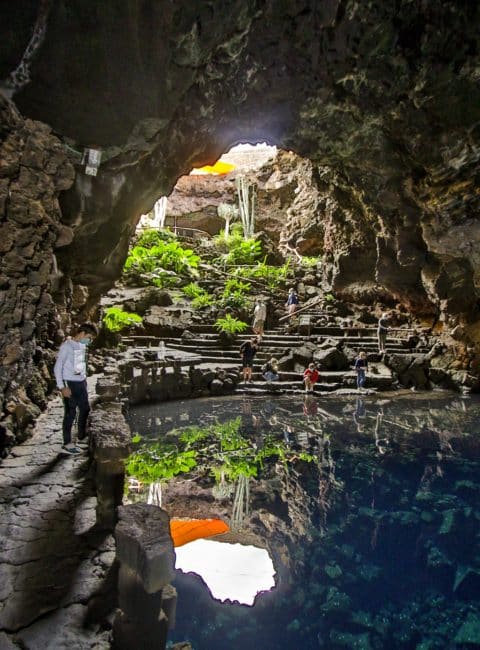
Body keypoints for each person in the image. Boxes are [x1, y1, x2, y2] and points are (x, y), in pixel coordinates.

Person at [54, 322, 98, 454]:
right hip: (70, 383)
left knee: (85, 409)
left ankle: (80, 437)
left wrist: (84, 380)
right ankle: (67, 443)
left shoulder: (81, 345)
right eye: (90, 337)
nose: (90, 341)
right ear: (83, 333)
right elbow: (57, 368)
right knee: (70, 413)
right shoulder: (66, 347)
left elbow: (79, 366)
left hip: (81, 382)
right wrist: (62, 387)